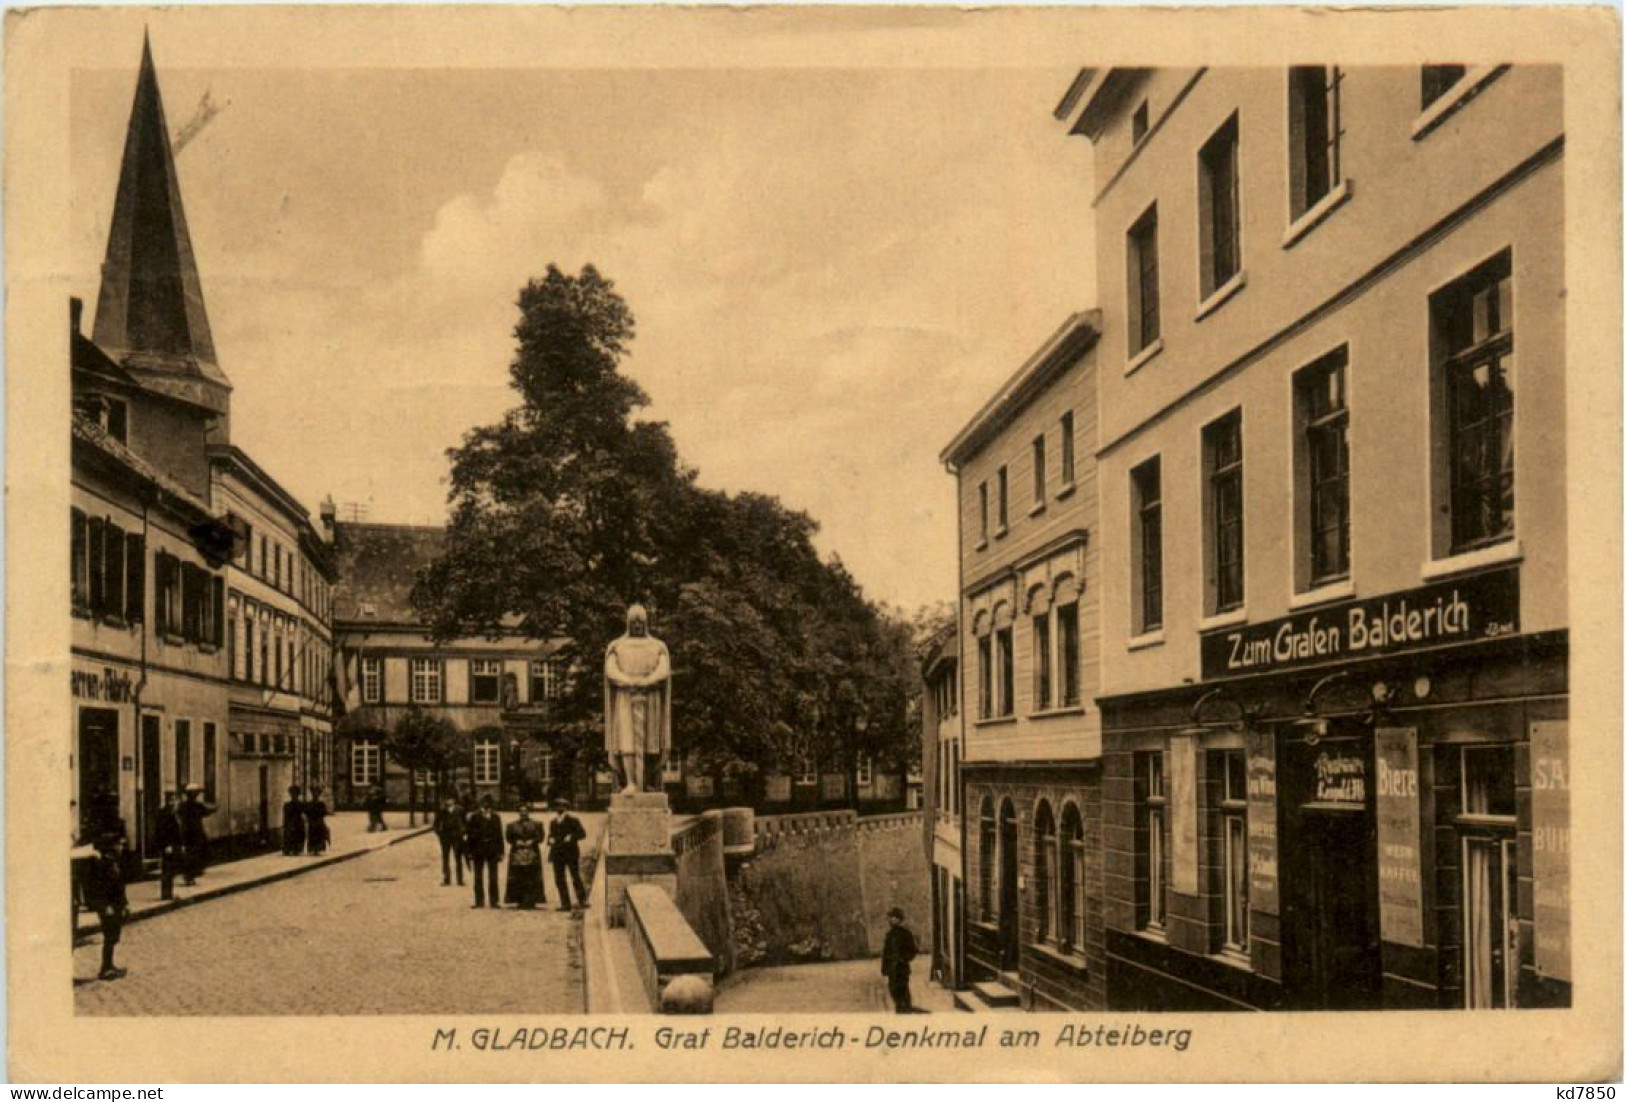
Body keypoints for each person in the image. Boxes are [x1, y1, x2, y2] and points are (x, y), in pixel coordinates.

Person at [603, 604, 672, 794]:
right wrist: (630, 682)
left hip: (651, 697)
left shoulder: (657, 646)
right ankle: (631, 782)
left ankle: (647, 781)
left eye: (641, 622)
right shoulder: (618, 646)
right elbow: (611, 670)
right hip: (626, 697)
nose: (637, 626)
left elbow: (663, 670)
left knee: (651, 742)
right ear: (628, 623)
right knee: (627, 742)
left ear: (646, 623)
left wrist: (647, 681)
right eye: (633, 622)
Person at [81, 832, 130, 980]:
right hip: (108, 907)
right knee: (109, 936)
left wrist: (125, 904)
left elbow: (120, 887)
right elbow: (98, 889)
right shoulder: (101, 865)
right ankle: (105, 968)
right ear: (111, 847)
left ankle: (110, 965)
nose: (121, 847)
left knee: (114, 936)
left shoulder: (114, 862)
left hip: (116, 905)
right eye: (119, 844)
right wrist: (105, 906)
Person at [462, 795, 504, 909]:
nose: (486, 805)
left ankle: (494, 901)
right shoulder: (474, 817)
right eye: (484, 803)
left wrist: (501, 851)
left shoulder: (496, 817)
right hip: (478, 849)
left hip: (492, 849)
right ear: (480, 804)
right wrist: (469, 852)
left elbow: (500, 835)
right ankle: (479, 901)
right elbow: (469, 835)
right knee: (478, 876)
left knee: (493, 876)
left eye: (488, 803)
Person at [503, 803, 547, 909]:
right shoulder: (511, 825)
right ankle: (519, 900)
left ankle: (532, 900)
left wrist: (532, 841)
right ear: (518, 812)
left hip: (532, 852)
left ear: (528, 812)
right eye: (521, 811)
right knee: (518, 876)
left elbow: (541, 837)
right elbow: (508, 838)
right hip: (517, 852)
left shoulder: (537, 824)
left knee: (532, 876)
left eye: (525, 811)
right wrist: (516, 842)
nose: (523, 813)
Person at [548, 798, 589, 911]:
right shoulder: (553, 822)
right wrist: (550, 839)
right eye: (557, 806)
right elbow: (551, 835)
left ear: (566, 808)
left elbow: (582, 833)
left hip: (571, 853)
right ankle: (565, 904)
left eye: (562, 806)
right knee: (559, 879)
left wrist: (572, 836)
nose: (559, 808)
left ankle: (582, 900)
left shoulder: (573, 820)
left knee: (575, 876)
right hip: (557, 854)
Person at [881, 906, 920, 1013]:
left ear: (899, 919)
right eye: (890, 917)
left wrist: (904, 959)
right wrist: (885, 967)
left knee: (903, 987)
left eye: (893, 917)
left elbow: (912, 950)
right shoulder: (889, 935)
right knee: (892, 987)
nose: (890, 920)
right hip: (892, 968)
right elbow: (886, 953)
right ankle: (899, 1006)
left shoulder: (905, 933)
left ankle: (906, 1006)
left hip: (902, 967)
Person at [177, 783, 216, 886]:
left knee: (189, 854)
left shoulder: (183, 805)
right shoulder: (197, 805)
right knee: (197, 853)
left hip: (186, 832)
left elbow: (179, 815)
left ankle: (189, 876)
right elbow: (206, 812)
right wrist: (214, 809)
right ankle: (191, 875)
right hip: (196, 833)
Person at [433, 795, 467, 886]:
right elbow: (435, 825)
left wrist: (463, 832)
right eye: (447, 799)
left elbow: (465, 822)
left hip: (457, 837)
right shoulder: (441, 810)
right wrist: (440, 834)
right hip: (445, 837)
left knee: (458, 858)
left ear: (454, 800)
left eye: (450, 799)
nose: (448, 801)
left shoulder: (460, 810)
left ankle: (460, 879)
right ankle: (446, 879)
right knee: (445, 858)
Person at [155, 791, 183, 898]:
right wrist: (167, 845)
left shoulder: (173, 812)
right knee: (167, 869)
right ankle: (166, 894)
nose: (175, 802)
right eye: (172, 800)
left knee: (170, 870)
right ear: (168, 800)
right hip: (168, 846)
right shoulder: (165, 813)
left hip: (173, 845)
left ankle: (168, 893)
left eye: (175, 800)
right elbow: (162, 830)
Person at [281, 785, 307, 856]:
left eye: (295, 793)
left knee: (298, 836)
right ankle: (289, 849)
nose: (293, 795)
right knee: (289, 836)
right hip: (290, 823)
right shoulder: (287, 805)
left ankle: (297, 849)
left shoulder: (301, 804)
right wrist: (285, 824)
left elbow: (305, 813)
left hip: (298, 823)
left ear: (298, 794)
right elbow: (285, 816)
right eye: (292, 793)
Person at [305, 786, 330, 855]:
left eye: (317, 794)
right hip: (313, 822)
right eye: (314, 793)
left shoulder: (321, 804)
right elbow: (307, 812)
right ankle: (313, 849)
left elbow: (324, 813)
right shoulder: (309, 804)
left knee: (319, 835)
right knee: (312, 835)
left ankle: (318, 849)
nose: (315, 795)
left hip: (319, 822)